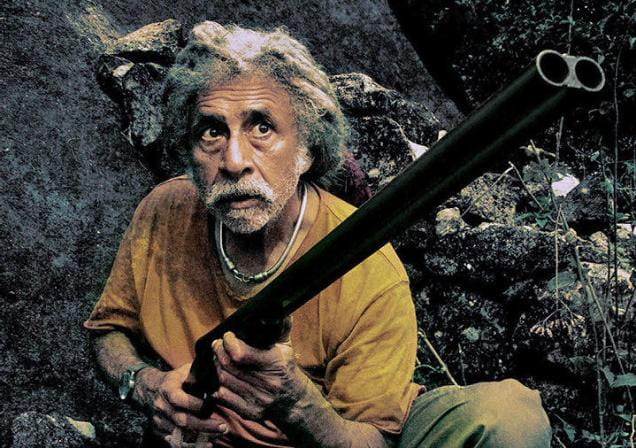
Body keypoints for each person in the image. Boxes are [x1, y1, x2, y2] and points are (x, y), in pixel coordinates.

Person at [85, 21, 552, 448]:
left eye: (262, 127)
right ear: (188, 150)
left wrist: (297, 405)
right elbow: (109, 331)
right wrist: (145, 385)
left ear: (307, 148)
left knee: (507, 419)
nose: (234, 160)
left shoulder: (368, 266)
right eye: (211, 132)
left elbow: (374, 441)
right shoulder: (165, 210)